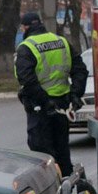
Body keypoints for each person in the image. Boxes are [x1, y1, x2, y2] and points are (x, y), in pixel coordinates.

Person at [15, 11, 87, 177]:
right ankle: (67, 189)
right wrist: (76, 94)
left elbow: (27, 80)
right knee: (62, 150)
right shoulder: (61, 42)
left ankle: (50, 190)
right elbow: (80, 70)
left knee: (42, 155)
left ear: (25, 27)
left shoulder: (27, 47)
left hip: (40, 109)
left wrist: (45, 101)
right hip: (62, 105)